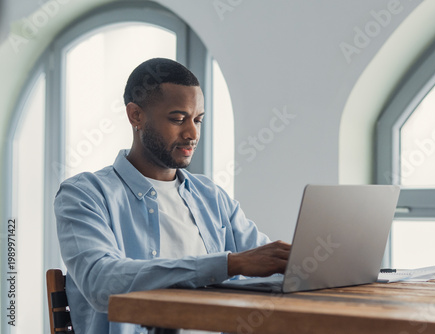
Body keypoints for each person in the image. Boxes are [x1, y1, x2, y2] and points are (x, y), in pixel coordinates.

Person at [54, 58, 291, 334]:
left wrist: (309, 265)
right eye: (178, 119)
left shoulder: (211, 196)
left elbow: (269, 264)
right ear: (136, 116)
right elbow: (101, 282)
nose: (192, 133)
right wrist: (229, 264)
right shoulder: (85, 194)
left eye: (198, 120)